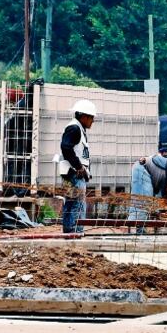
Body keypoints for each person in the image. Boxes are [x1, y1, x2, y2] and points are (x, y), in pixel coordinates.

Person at [57, 99, 96, 233]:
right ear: (84, 116)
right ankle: (75, 232)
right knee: (77, 204)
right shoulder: (74, 128)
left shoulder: (78, 128)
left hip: (71, 173)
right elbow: (66, 148)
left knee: (71, 203)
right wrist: (79, 167)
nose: (93, 121)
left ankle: (69, 231)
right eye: (91, 118)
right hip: (74, 174)